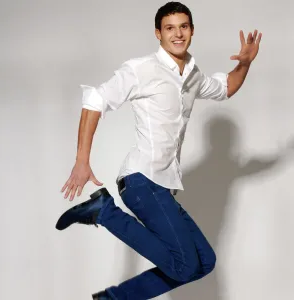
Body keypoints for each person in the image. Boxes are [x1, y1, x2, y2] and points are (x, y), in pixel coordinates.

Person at [56, 2, 262, 299]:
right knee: (184, 265)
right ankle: (104, 213)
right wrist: (81, 161)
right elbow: (95, 101)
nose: (178, 34)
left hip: (161, 187)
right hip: (141, 180)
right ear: (158, 34)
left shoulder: (192, 74)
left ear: (191, 31)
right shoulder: (142, 69)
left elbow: (225, 87)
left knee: (204, 262)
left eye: (184, 27)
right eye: (170, 28)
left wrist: (245, 64)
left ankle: (112, 297)